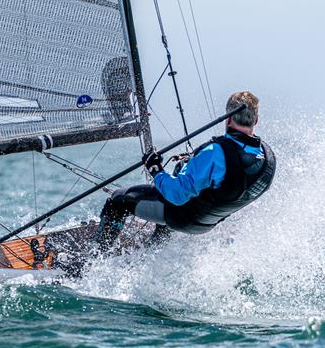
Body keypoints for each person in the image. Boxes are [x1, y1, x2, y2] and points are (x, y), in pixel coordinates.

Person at [93, 90, 276, 253]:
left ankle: (93, 262)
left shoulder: (215, 153)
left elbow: (177, 195)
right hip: (207, 223)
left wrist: (155, 169)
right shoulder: (268, 158)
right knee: (174, 192)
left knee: (117, 201)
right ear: (256, 120)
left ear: (227, 118)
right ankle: (150, 255)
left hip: (182, 216)